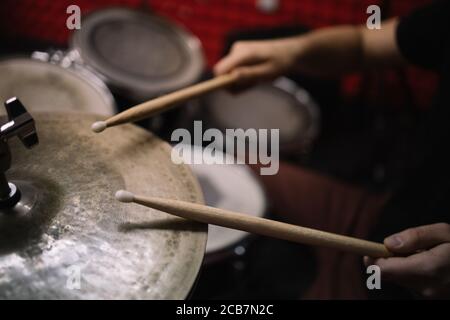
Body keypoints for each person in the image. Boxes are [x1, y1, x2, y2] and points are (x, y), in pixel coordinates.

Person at [213, 1, 450, 299]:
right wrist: (290, 52)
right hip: (378, 216)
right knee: (214, 162)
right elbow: (365, 43)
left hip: (400, 286)